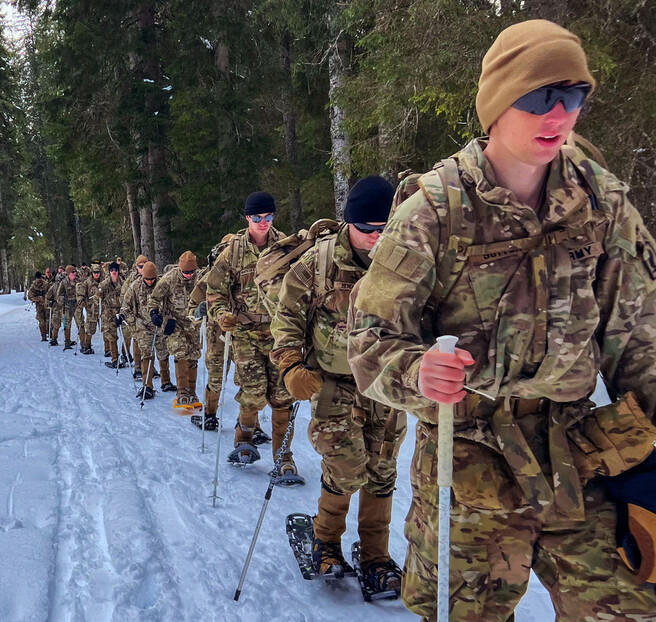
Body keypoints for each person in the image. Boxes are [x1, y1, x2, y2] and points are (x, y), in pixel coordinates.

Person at [348, 20, 656, 620]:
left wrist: (652, 465)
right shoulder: (432, 212)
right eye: (542, 97)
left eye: (576, 96)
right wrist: (418, 373)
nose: (560, 114)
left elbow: (639, 335)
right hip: (467, 460)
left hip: (580, 450)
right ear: (497, 101)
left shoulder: (602, 202)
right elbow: (369, 341)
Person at [270, 176, 405, 589]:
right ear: (349, 224)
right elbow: (287, 317)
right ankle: (325, 540)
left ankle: (375, 553)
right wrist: (291, 366)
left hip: (385, 382)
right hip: (333, 381)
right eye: (367, 229)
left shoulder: (405, 257)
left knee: (382, 469)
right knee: (347, 467)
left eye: (385, 228)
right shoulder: (318, 263)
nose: (376, 238)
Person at [207, 191, 294, 470]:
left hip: (280, 332)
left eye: (268, 217)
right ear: (247, 218)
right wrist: (222, 315)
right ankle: (243, 440)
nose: (263, 222)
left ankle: (284, 458)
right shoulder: (232, 252)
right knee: (254, 393)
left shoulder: (286, 247)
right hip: (245, 333)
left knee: (283, 396)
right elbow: (215, 291)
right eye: (257, 217)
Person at [190, 235, 235, 430]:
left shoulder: (253, 275)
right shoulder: (209, 279)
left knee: (250, 381)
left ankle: (250, 424)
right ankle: (210, 414)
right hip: (217, 334)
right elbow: (191, 308)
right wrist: (199, 310)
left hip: (246, 332)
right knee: (216, 376)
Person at [149, 251, 202, 408]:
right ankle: (182, 392)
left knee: (193, 355)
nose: (188, 275)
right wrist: (154, 313)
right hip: (174, 321)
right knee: (180, 351)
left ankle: (192, 391)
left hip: (193, 322)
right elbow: (154, 298)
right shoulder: (169, 279)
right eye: (185, 272)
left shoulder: (200, 278)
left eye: (191, 272)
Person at [119, 261, 171, 399]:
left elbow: (171, 304)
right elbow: (126, 305)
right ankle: (147, 386)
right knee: (147, 354)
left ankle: (166, 381)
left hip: (159, 324)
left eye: (152, 279)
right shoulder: (135, 286)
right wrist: (122, 316)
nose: (149, 281)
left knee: (163, 353)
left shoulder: (162, 285)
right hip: (142, 325)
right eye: (147, 279)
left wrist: (169, 320)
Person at [99, 262, 126, 368]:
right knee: (111, 336)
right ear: (109, 272)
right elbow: (97, 301)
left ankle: (125, 354)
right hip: (108, 313)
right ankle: (115, 358)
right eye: (112, 270)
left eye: (116, 270)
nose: (114, 272)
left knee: (127, 334)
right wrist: (99, 296)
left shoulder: (124, 284)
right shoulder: (104, 284)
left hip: (121, 312)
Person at [46, 264, 79, 350]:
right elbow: (48, 296)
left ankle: (67, 341)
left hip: (66, 306)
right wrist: (49, 302)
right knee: (56, 323)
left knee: (66, 323)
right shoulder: (54, 286)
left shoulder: (67, 283)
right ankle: (54, 339)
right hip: (57, 307)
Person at [77, 264, 104, 355]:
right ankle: (87, 346)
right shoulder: (87, 282)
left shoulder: (104, 281)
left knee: (106, 328)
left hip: (103, 308)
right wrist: (82, 301)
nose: (96, 274)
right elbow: (81, 293)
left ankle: (108, 349)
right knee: (90, 328)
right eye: (95, 272)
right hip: (91, 308)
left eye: (98, 272)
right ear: (92, 273)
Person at [28, 271, 50, 341]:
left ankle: (49, 332)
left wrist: (46, 298)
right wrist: (38, 298)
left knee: (48, 319)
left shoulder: (46, 284)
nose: (39, 279)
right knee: (41, 321)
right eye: (38, 278)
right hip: (39, 305)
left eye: (40, 278)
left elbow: (50, 293)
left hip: (46, 304)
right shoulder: (33, 286)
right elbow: (30, 296)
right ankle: (43, 335)